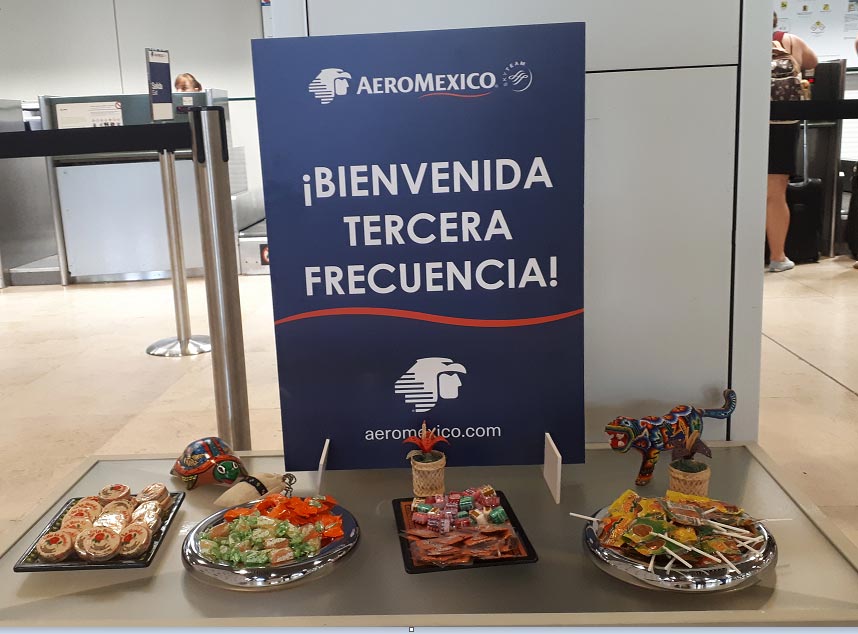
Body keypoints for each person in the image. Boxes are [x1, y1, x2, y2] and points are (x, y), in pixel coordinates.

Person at [768, 13, 818, 272]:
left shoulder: (734, 42)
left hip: (743, 122)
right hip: (783, 125)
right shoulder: (789, 41)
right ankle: (777, 257)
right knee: (775, 193)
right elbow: (813, 61)